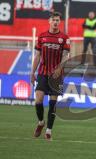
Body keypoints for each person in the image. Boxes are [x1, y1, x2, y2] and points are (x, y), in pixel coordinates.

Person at [30, 11, 70, 141]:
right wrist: (32, 72)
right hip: (42, 72)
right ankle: (41, 122)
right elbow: (37, 56)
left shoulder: (64, 38)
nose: (55, 22)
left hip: (56, 75)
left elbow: (66, 55)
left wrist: (59, 68)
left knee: (53, 104)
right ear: (49, 21)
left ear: (60, 22)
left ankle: (49, 131)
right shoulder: (42, 36)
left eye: (58, 20)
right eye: (53, 20)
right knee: (38, 100)